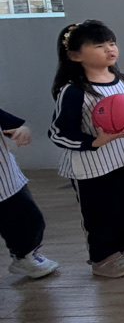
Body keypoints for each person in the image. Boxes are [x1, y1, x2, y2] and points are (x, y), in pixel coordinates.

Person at [49, 20, 124, 278]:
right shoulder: (73, 91)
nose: (110, 49)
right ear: (75, 55)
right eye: (99, 45)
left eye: (112, 43)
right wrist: (94, 142)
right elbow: (58, 132)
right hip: (92, 166)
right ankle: (103, 257)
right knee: (100, 213)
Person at [1, 108, 59, 279]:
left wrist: (22, 131)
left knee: (30, 220)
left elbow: (13, 127)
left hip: (6, 181)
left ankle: (24, 256)